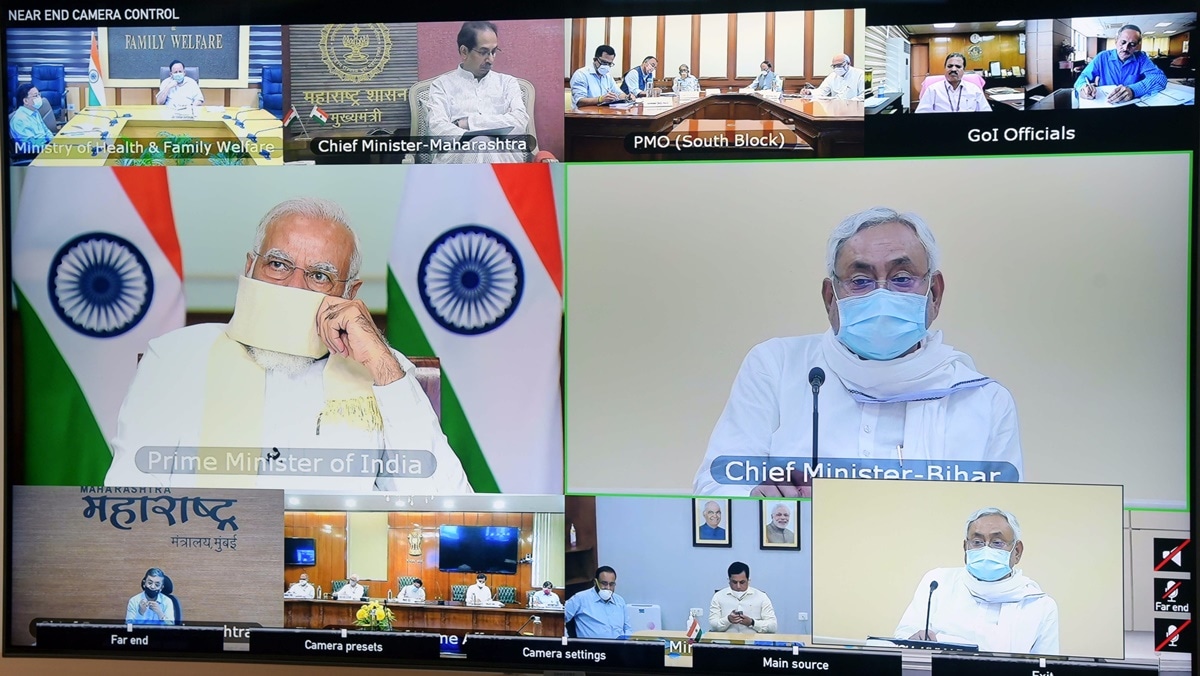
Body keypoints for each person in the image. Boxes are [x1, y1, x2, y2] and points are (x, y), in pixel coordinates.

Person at [103, 197, 472, 493]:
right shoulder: (175, 358)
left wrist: (384, 366)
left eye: (319, 275)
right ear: (250, 268)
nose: (294, 287)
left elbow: (445, 500)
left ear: (349, 293)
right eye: (278, 265)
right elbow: (132, 497)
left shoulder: (382, 371)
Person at [694, 207, 1023, 496]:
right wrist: (757, 498)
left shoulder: (984, 402)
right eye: (861, 280)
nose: (881, 296)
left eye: (903, 278)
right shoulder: (777, 367)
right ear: (830, 298)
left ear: (934, 293)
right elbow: (716, 484)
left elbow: (1003, 519)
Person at [894, 508, 1059, 654]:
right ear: (965, 548)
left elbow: (1045, 667)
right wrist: (912, 641)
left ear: (1017, 551)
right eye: (977, 542)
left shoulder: (1039, 605)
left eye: (997, 542)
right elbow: (902, 638)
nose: (986, 550)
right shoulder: (937, 583)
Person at [426, 21, 530, 164]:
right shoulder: (441, 85)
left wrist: (469, 122)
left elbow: (519, 122)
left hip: (503, 157)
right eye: (483, 52)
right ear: (464, 52)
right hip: (457, 159)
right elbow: (437, 129)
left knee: (483, 145)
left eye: (494, 51)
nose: (491, 59)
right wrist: (474, 139)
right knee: (480, 145)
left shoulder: (507, 83)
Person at [1075, 25, 1167, 103]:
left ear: (1137, 46)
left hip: (1132, 106)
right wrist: (1083, 88)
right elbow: (1083, 77)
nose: (1125, 48)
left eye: (1132, 44)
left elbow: (1160, 78)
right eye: (1123, 42)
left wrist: (1133, 90)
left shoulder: (1141, 58)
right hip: (1106, 104)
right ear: (1116, 41)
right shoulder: (1102, 57)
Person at [708, 562, 777, 634]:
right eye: (734, 582)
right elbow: (712, 625)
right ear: (729, 581)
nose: (738, 586)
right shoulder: (718, 596)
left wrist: (752, 623)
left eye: (742, 582)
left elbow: (773, 626)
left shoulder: (761, 597)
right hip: (725, 643)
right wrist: (728, 620)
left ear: (748, 580)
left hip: (754, 643)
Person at [564, 566, 631, 638]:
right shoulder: (580, 598)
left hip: (618, 647)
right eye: (604, 583)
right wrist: (567, 641)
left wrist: (626, 641)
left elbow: (627, 628)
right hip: (592, 648)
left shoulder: (620, 601)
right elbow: (560, 619)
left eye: (611, 584)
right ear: (595, 582)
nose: (608, 588)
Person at [916, 54, 990, 113]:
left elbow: (986, 112)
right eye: (950, 66)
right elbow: (921, 113)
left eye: (958, 66)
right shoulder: (932, 89)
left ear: (964, 70)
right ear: (945, 68)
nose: (953, 69)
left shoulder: (974, 89)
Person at [9, 83, 55, 154]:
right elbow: (30, 146)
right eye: (35, 96)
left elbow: (45, 130)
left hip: (45, 147)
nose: (39, 98)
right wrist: (51, 147)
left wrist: (54, 141)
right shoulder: (19, 120)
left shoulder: (35, 111)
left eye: (39, 95)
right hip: (35, 154)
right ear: (26, 101)